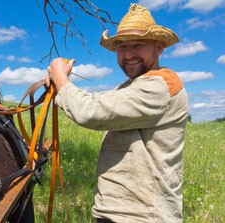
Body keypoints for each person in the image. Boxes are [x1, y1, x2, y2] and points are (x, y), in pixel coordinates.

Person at [44, 3, 188, 223]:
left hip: (142, 216)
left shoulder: (159, 86)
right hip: (120, 212)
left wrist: (61, 79)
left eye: (138, 45)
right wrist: (61, 84)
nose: (128, 54)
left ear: (158, 48)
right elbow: (101, 102)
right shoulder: (134, 86)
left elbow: (90, 111)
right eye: (122, 47)